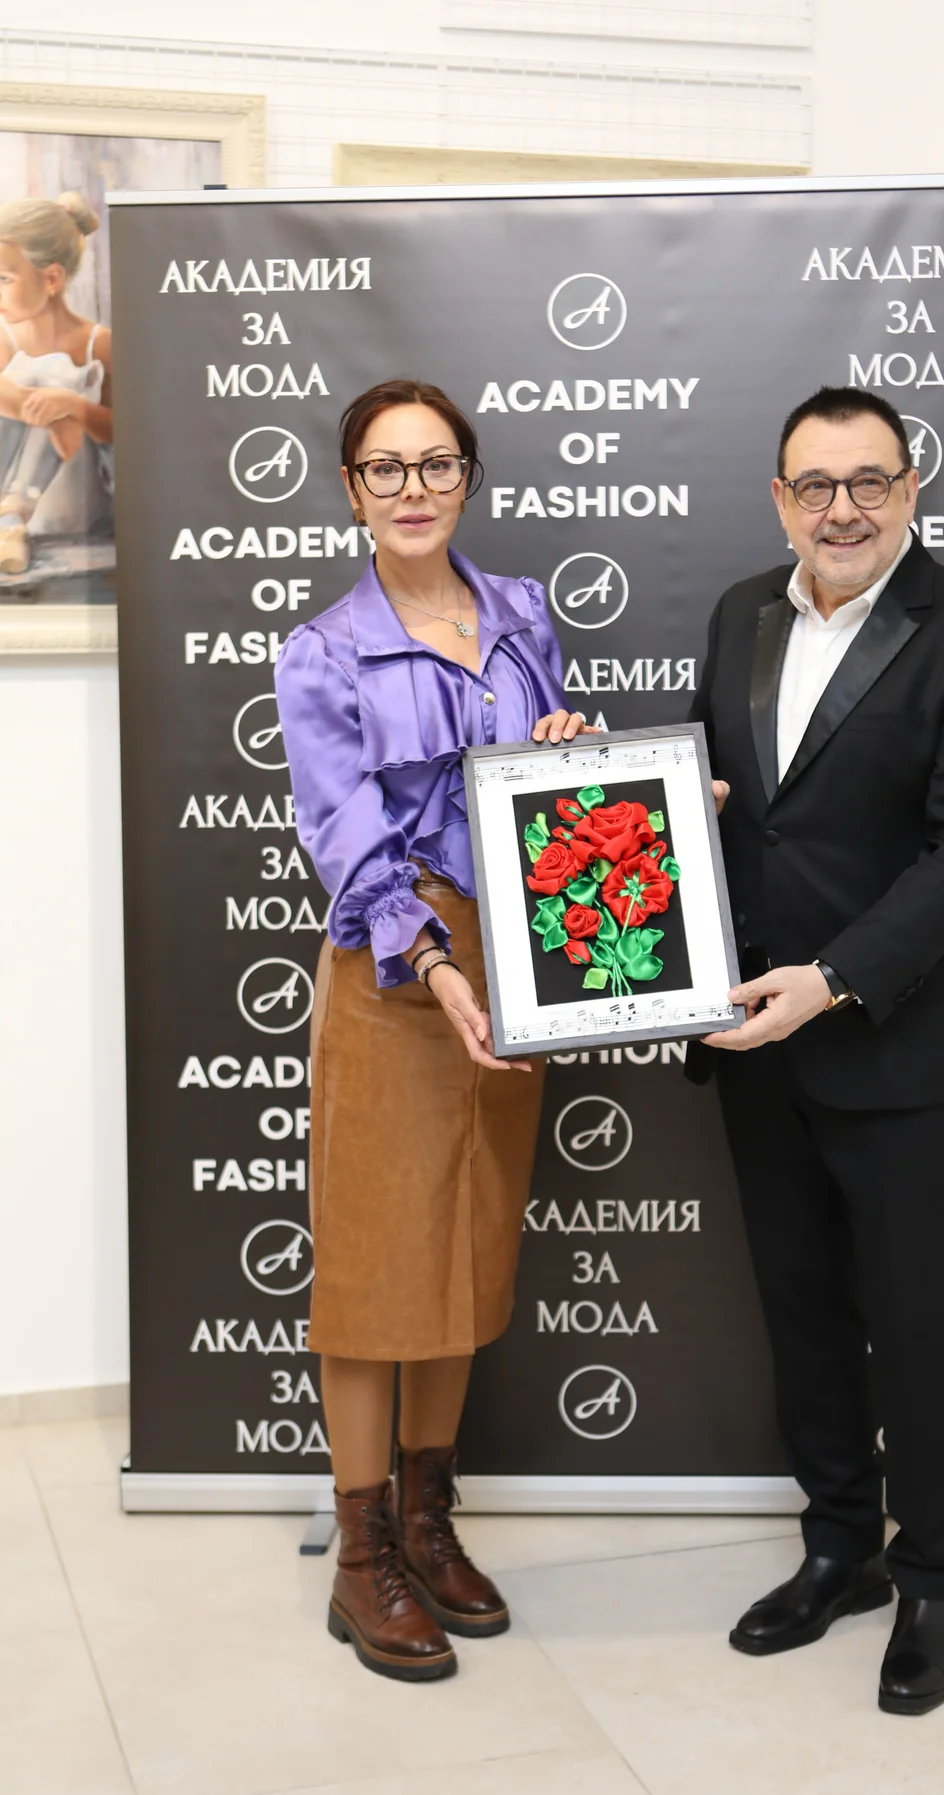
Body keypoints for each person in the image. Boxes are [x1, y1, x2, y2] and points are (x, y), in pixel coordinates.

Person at [688, 386, 944, 1715]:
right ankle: (840, 1549)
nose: (843, 508)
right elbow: (732, 807)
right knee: (802, 1313)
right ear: (780, 499)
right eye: (817, 485)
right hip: (754, 1036)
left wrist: (832, 982)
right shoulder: (739, 612)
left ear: (909, 490)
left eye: (869, 481)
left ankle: (937, 1578)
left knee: (918, 1326)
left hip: (894, 1040)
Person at [275, 378, 586, 1682]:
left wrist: (570, 755)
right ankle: (361, 1561)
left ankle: (426, 1521)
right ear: (352, 490)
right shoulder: (323, 652)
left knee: (464, 1242)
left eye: (437, 463)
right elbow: (347, 837)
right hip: (395, 968)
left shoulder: (523, 613)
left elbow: (544, 790)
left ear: (468, 475)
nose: (413, 488)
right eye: (385, 468)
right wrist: (440, 966)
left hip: (515, 959)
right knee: (371, 1268)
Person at [0, 191, 113, 576]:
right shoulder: (4, 339)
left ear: (51, 278)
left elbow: (123, 433)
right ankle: (10, 519)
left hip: (75, 501)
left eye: (4, 279)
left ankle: (14, 515)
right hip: (16, 486)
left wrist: (73, 407)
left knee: (61, 376)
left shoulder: (100, 343)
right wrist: (52, 412)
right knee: (44, 379)